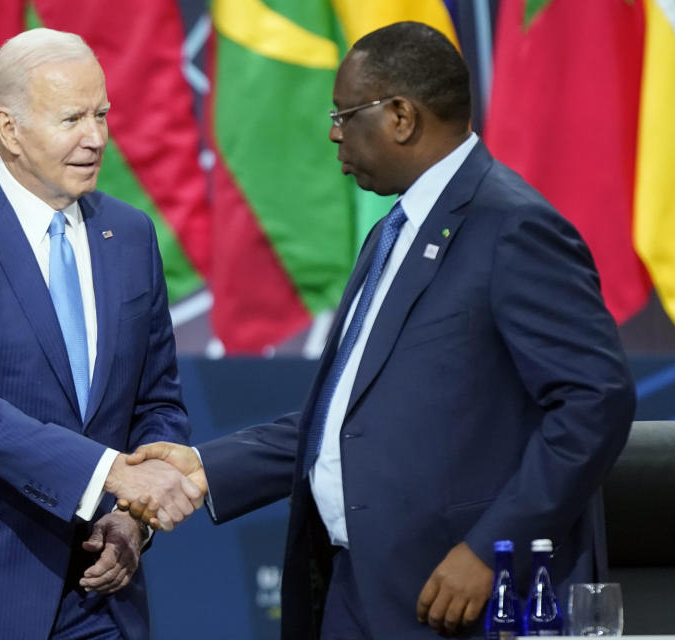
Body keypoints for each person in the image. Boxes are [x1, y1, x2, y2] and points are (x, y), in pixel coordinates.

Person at [128, 21, 636, 639]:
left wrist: (489, 551)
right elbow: (352, 417)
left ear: (400, 116)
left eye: (345, 113)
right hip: (356, 593)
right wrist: (207, 466)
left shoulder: (514, 229)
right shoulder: (393, 232)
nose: (334, 132)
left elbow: (594, 403)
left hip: (459, 600)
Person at [0, 28, 204, 640]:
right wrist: (111, 475)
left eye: (102, 114)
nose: (96, 138)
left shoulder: (131, 237)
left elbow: (157, 402)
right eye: (72, 118)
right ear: (10, 128)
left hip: (100, 590)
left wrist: (133, 517)